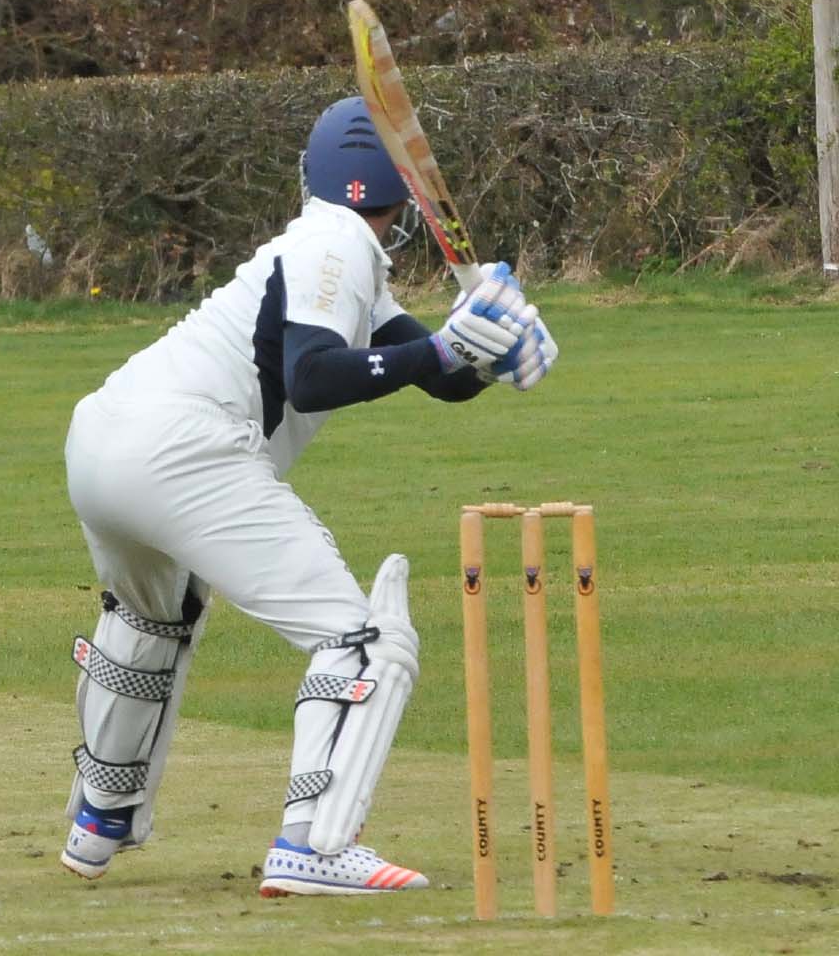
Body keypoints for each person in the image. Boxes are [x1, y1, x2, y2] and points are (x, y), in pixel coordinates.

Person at [57, 96, 557, 894]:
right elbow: (315, 375)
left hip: (101, 440)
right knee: (363, 639)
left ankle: (99, 819)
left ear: (312, 173)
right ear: (404, 190)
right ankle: (314, 846)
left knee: (153, 618)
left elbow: (435, 377)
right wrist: (442, 347)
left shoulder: (327, 249)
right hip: (182, 448)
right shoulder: (338, 245)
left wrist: (488, 349)